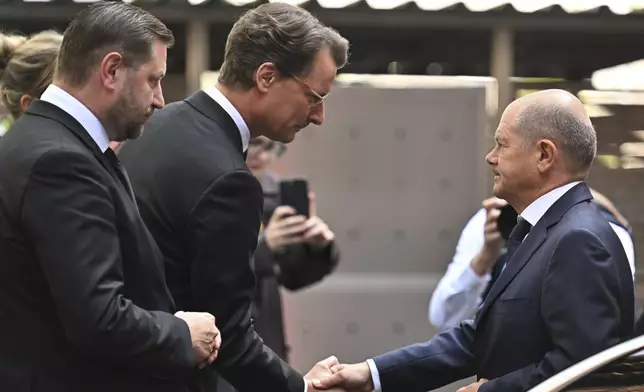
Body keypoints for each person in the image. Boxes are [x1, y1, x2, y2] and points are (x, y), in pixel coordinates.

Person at [311, 89, 635, 392]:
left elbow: (583, 368)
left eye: (502, 144)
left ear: (544, 155)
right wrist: (371, 373)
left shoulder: (577, 239)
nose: (491, 157)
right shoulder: (545, 230)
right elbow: (480, 337)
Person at [117, 3, 349, 392]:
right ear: (266, 77)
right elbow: (229, 337)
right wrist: (301, 388)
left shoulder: (157, 125)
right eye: (314, 97)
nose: (318, 116)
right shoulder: (228, 179)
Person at [0, 3, 221, 392]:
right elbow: (98, 318)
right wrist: (181, 333)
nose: (159, 100)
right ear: (112, 70)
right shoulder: (62, 161)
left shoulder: (45, 143)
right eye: (153, 80)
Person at [429, 188, 635, 332]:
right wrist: (485, 258)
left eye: (505, 146)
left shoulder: (601, 230)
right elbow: (444, 318)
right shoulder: (490, 221)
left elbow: (589, 333)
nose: (492, 158)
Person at [247, 136, 340, 361]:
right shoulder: (200, 190)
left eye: (271, 147)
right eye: (256, 142)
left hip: (265, 337)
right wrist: (264, 248)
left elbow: (293, 277)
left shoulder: (272, 195)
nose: (262, 155)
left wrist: (315, 248)